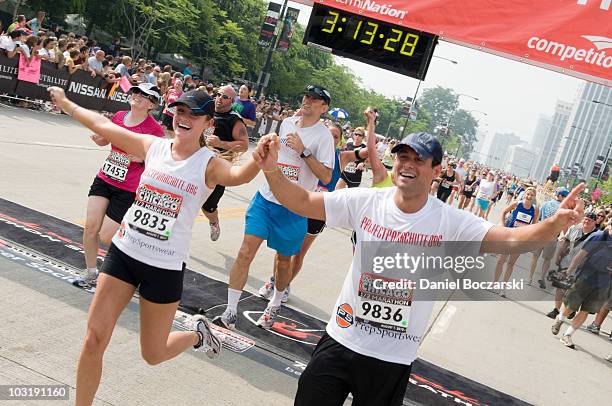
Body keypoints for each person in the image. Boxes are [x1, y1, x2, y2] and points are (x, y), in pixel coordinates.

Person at [251, 130, 584, 406]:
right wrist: (271, 170)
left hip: (390, 357)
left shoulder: (450, 221)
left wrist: (552, 224)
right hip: (341, 338)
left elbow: (510, 242)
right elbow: (304, 202)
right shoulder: (367, 201)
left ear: (436, 171)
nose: (408, 165)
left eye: (418, 160)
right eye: (403, 157)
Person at [48, 86, 262, 406]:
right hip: (124, 252)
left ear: (208, 123)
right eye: (179, 111)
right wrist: (66, 103)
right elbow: (104, 126)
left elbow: (239, 175)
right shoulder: (154, 147)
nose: (184, 118)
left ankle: (197, 334)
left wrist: (260, 159)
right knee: (93, 339)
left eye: (193, 114)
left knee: (153, 353)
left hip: (163, 266)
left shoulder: (209, 164)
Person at [214, 85, 335, 331]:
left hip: (294, 206)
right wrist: (270, 145)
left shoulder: (323, 136)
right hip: (266, 199)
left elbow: (325, 175)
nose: (308, 101)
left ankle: (275, 303)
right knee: (245, 252)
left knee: (282, 261)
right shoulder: (288, 122)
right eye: (306, 96)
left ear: (324, 108)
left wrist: (304, 151)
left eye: (314, 99)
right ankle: (230, 312)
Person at [72, 83, 166, 286]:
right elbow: (106, 140)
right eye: (136, 92)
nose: (138, 96)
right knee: (90, 227)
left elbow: (160, 159)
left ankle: (134, 262)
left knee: (106, 237)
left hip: (129, 188)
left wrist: (141, 159)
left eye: (145, 95)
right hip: (105, 178)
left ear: (151, 105)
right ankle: (90, 272)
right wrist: (99, 139)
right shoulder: (118, 116)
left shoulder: (154, 130)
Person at [200, 85, 249, 241]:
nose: (219, 98)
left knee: (208, 206)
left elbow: (244, 145)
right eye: (218, 94)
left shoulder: (234, 120)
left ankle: (214, 221)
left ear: (232, 101)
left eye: (224, 97)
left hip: (218, 169)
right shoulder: (206, 110)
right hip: (197, 161)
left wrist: (221, 143)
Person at [551, 223, 611, 349]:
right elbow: (581, 255)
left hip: (603, 282)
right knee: (571, 306)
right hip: (585, 277)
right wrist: (568, 271)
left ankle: (567, 335)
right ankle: (560, 318)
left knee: (586, 310)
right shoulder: (599, 236)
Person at [546, 212, 599, 319]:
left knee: (574, 290)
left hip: (585, 266)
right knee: (560, 286)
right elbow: (565, 241)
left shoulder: (598, 235)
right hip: (568, 261)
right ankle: (556, 309)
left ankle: (570, 309)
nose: (587, 221)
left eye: (590, 220)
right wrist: (559, 255)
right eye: (586, 219)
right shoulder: (574, 228)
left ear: (595, 223)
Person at [493, 187, 539, 296]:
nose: (529, 196)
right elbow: (504, 212)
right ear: (524, 195)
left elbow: (534, 224)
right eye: (528, 194)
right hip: (509, 235)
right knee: (501, 260)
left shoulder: (535, 209)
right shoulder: (517, 204)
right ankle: (494, 284)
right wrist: (503, 225)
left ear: (534, 197)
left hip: (520, 239)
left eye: (531, 195)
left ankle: (503, 288)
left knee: (511, 263)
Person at [528, 187, 569, 287]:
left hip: (541, 233)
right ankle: (542, 278)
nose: (565, 198)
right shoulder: (564, 209)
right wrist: (567, 236)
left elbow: (538, 218)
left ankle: (529, 278)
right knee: (547, 259)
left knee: (535, 257)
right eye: (564, 196)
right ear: (560, 196)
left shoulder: (546, 204)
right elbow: (564, 225)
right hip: (552, 236)